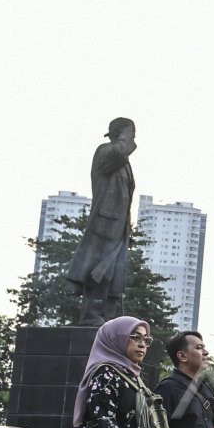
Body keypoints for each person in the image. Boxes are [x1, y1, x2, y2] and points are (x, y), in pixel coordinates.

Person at [67, 118, 136, 326]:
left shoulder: (123, 162)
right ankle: (91, 315)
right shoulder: (105, 151)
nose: (134, 137)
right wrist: (125, 136)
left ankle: (108, 316)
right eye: (132, 132)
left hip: (118, 225)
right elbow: (119, 152)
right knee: (99, 270)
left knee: (114, 273)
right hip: (104, 223)